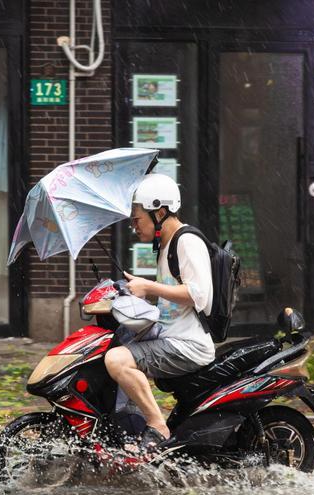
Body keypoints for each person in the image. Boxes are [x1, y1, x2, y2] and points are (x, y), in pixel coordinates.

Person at [104, 173, 215, 448]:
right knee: (120, 339)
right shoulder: (165, 245)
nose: (133, 227)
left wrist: (150, 287)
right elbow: (169, 303)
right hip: (171, 334)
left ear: (160, 212)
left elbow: (197, 295)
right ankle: (127, 429)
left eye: (137, 219)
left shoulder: (186, 241)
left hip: (188, 344)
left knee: (117, 360)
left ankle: (157, 425)